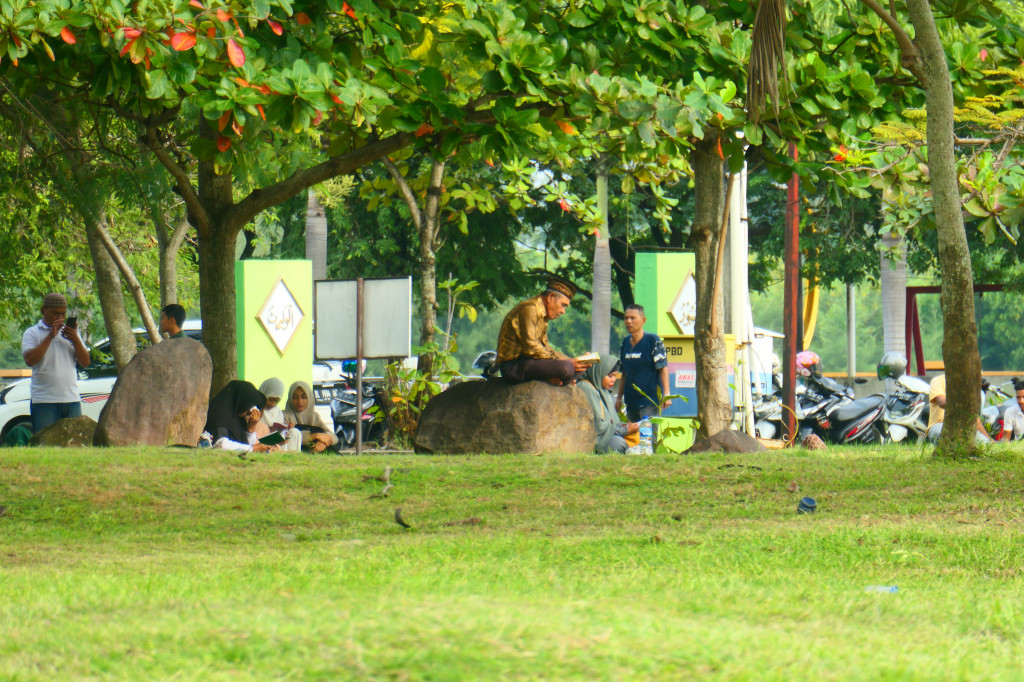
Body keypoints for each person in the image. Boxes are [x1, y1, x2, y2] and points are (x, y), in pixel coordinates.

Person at [495, 278, 587, 385]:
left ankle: (553, 379)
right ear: (551, 297)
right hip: (514, 366)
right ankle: (552, 379)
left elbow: (546, 348)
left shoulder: (543, 315)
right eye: (563, 305)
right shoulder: (530, 309)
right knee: (566, 368)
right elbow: (531, 348)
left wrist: (574, 361)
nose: (563, 311)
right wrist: (568, 362)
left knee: (579, 368)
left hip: (531, 362)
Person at [21, 292, 91, 432]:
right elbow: (30, 360)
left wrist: (75, 339)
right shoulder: (32, 333)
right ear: (43, 311)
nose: (59, 318)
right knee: (45, 441)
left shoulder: (71, 333)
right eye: (55, 313)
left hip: (71, 399)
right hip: (44, 401)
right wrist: (50, 336)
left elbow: (85, 362)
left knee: (75, 441)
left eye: (63, 314)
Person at [616, 304, 670, 422]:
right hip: (630, 404)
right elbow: (624, 373)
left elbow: (663, 368)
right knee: (629, 433)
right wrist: (619, 398)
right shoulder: (625, 342)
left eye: (633, 318)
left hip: (649, 403)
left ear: (643, 320)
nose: (628, 321)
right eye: (626, 318)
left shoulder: (653, 341)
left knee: (648, 434)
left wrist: (666, 394)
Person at [579, 356, 638, 454]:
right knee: (618, 443)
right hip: (591, 439)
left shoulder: (603, 390)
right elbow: (599, 427)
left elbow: (612, 421)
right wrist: (625, 430)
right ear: (600, 373)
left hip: (607, 435)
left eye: (615, 376)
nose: (613, 380)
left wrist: (624, 425)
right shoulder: (586, 388)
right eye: (610, 376)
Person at [204, 380, 279, 452]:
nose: (247, 413)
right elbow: (220, 444)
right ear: (240, 401)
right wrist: (254, 448)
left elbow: (247, 444)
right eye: (247, 407)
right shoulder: (220, 413)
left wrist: (251, 428)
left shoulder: (237, 417)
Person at [926, 373, 990, 444]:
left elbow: (974, 418)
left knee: (985, 443)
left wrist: (989, 441)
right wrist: (964, 405)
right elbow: (942, 402)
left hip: (965, 428)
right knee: (950, 437)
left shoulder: (967, 385)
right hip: (940, 424)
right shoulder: (938, 380)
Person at [284, 381, 338, 453]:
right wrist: (315, 436)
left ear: (309, 398)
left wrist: (323, 442)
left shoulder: (314, 417)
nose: (299, 401)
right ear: (290, 399)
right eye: (295, 397)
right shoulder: (285, 416)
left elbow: (333, 437)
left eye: (304, 397)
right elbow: (285, 437)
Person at [258, 377, 302, 452]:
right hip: (259, 443)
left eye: (277, 401)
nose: (273, 404)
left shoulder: (277, 411)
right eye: (271, 399)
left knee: (294, 432)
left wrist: (286, 429)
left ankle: (292, 456)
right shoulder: (256, 409)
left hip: (276, 442)